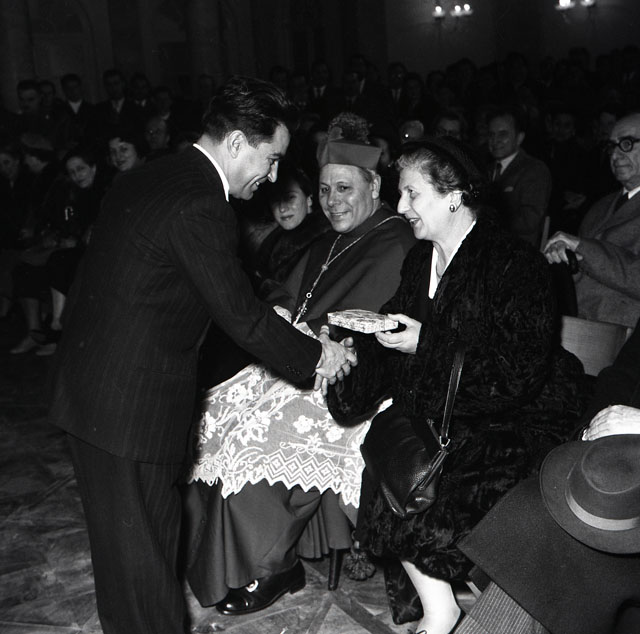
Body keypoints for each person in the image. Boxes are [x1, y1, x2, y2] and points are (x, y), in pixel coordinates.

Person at [47, 76, 355, 634]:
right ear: (236, 143)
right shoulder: (202, 203)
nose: (274, 176)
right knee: (143, 572)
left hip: (95, 391)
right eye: (272, 158)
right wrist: (318, 357)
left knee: (131, 565)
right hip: (129, 410)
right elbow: (240, 316)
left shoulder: (151, 175)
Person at [326, 136, 586, 634]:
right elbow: (392, 338)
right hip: (443, 411)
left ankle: (469, 613)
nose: (401, 206)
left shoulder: (514, 263)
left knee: (435, 494)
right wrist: (349, 358)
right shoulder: (418, 261)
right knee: (388, 464)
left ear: (454, 196)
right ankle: (441, 608)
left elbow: (518, 373)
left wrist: (427, 344)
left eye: (412, 194)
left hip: (513, 419)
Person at [186, 138, 416, 615]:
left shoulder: (395, 242)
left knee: (253, 435)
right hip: (305, 359)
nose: (333, 201)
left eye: (345, 188)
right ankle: (218, 556)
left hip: (355, 378)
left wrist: (312, 339)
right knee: (214, 415)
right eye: (326, 190)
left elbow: (375, 329)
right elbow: (290, 296)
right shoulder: (331, 238)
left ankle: (269, 565)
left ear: (375, 185)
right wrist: (280, 316)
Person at [457, 321, 640, 633]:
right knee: (538, 509)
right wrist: (592, 430)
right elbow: (621, 377)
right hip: (619, 468)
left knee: (562, 537)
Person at [543, 112, 640, 329]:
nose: (615, 155)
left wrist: (582, 248)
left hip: (624, 335)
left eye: (626, 144)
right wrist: (564, 257)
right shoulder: (600, 206)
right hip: (577, 324)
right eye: (611, 146)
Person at [252, 163, 331, 297]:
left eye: (290, 197)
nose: (282, 208)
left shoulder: (326, 239)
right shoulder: (270, 245)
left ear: (309, 199)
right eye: (275, 200)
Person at [487, 106, 552, 246]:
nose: (495, 140)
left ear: (519, 138)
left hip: (517, 248)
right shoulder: (485, 168)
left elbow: (529, 220)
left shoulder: (534, 170)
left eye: (503, 134)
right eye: (491, 134)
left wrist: (487, 219)